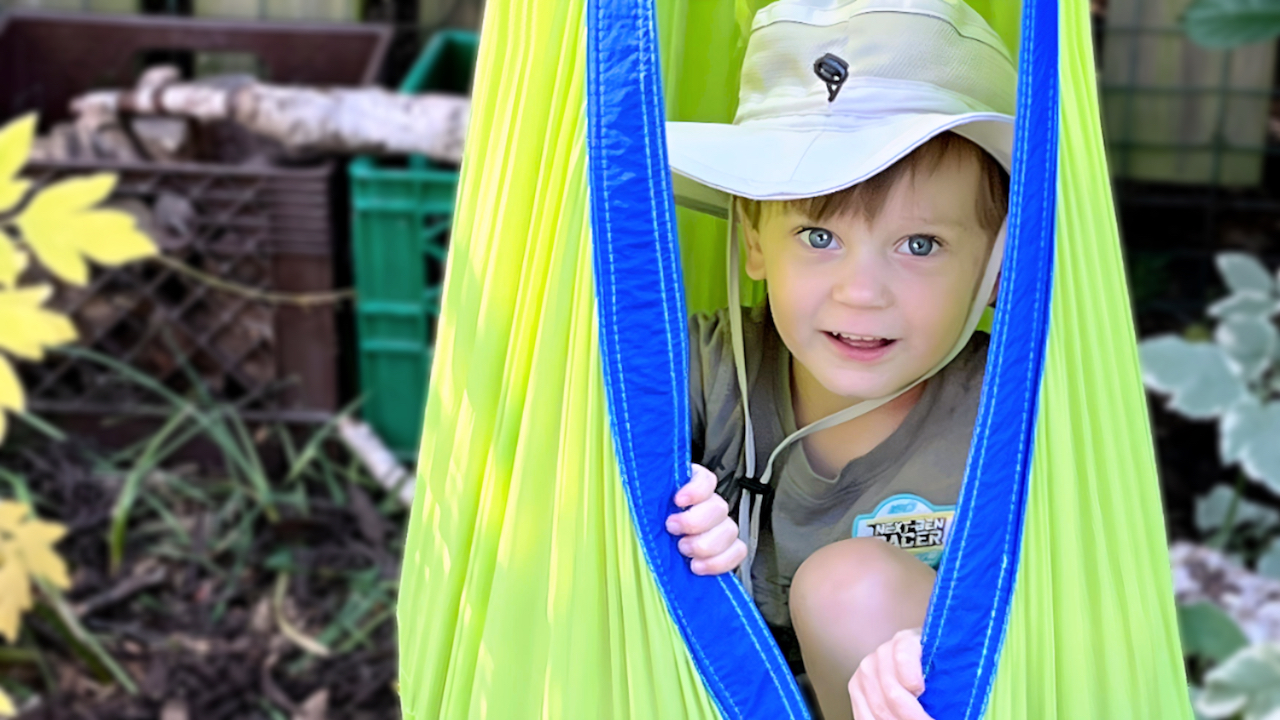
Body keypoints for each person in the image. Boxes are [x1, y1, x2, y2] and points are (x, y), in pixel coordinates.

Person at [659, 1, 1016, 719]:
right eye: (819, 237)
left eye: (920, 245)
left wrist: (930, 647)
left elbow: (1065, 618)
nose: (860, 294)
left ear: (996, 269)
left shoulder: (1008, 416)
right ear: (755, 240)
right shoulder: (698, 371)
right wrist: (663, 520)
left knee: (849, 586)